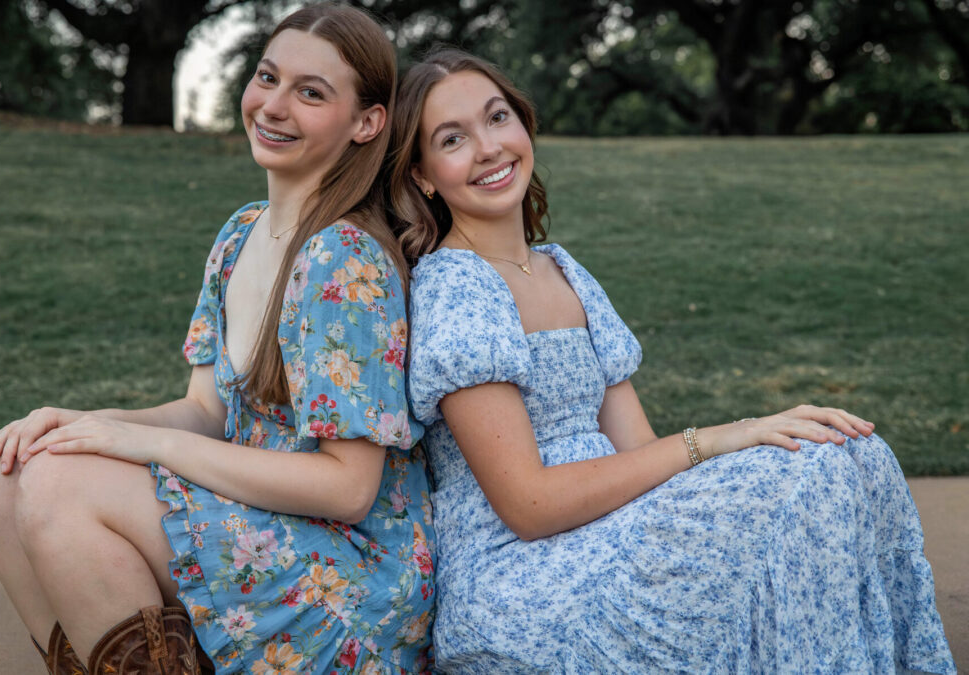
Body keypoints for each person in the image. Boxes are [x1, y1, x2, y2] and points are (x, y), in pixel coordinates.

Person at [386, 47, 955, 674]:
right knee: (801, 479)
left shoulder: (564, 270)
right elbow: (530, 506)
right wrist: (718, 438)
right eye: (453, 138)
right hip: (527, 579)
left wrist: (749, 443)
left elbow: (637, 450)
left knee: (843, 454)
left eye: (497, 119)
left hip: (612, 530)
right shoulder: (457, 287)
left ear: (524, 126)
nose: (489, 148)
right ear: (423, 177)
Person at [0, 5, 435, 674]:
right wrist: (85, 423)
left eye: (311, 93)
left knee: (54, 489)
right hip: (266, 526)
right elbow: (208, 410)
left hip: (351, 582)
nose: (273, 106)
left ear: (368, 122)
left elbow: (347, 488)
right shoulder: (240, 232)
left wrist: (152, 443)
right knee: (7, 467)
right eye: (268, 77)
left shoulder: (345, 258)